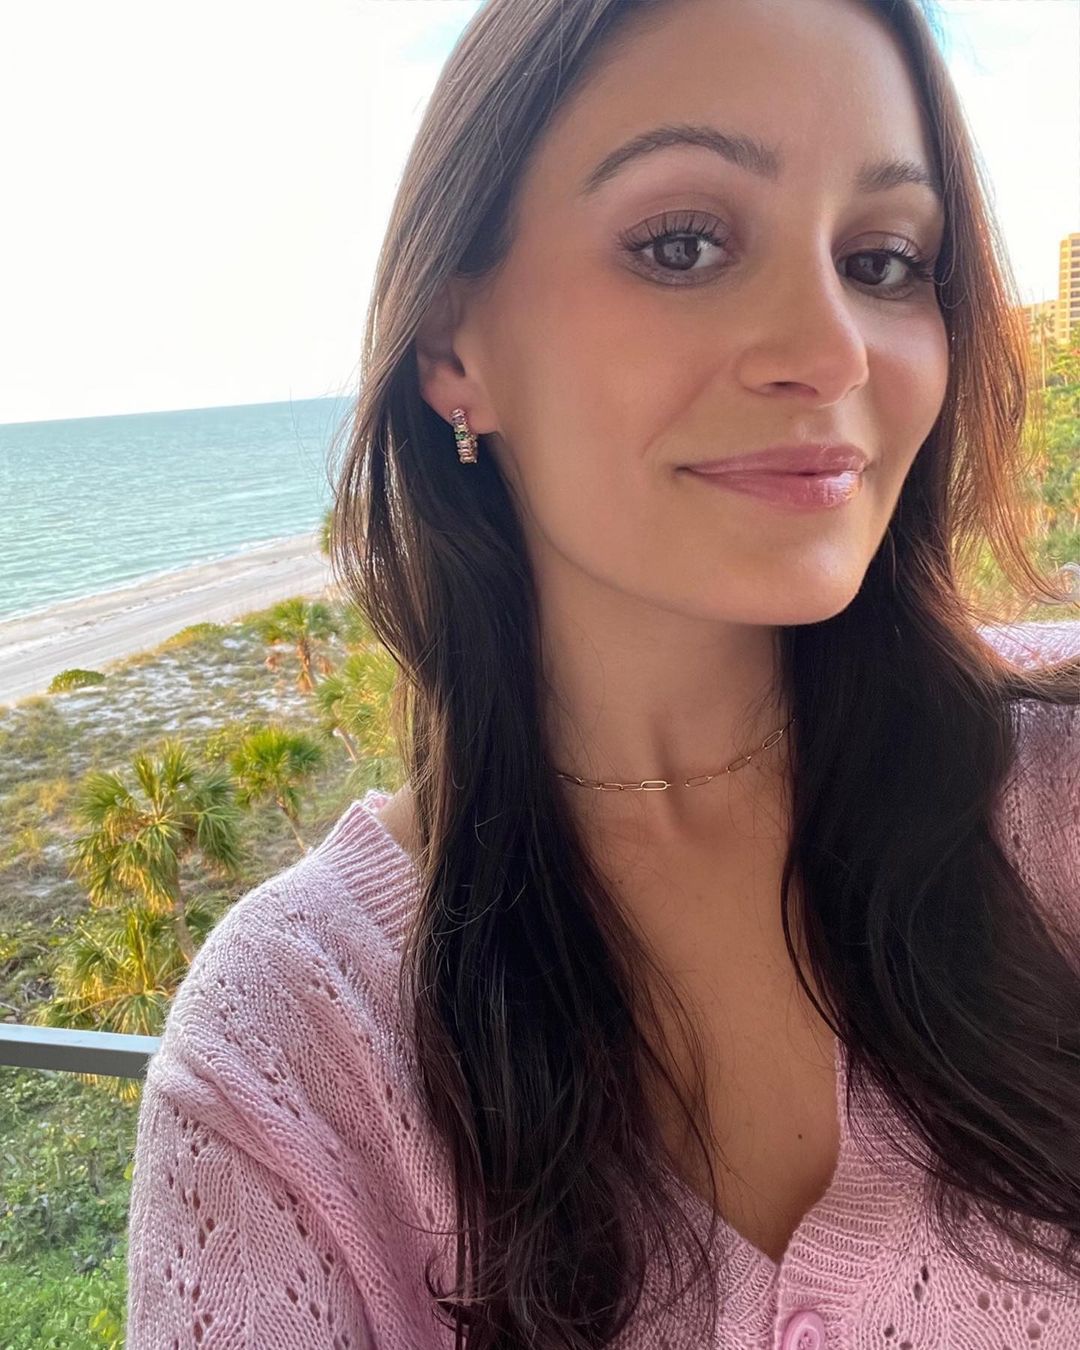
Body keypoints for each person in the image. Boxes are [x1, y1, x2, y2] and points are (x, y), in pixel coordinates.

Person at [125, 0, 1080, 1345]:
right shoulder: (289, 1057)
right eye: (683, 244)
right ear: (453, 348)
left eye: (881, 260)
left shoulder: (1054, 801)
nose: (831, 351)